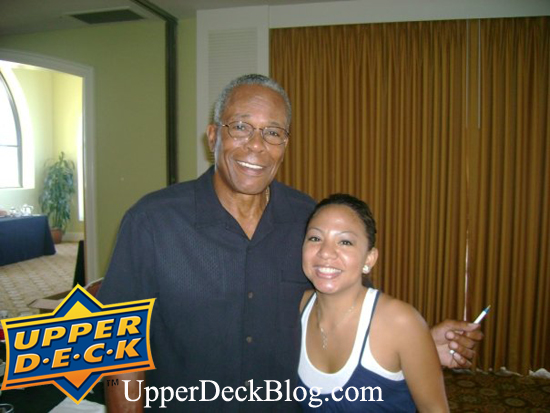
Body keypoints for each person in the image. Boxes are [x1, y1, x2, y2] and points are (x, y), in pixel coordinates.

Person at [97, 74, 481, 411]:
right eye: (241, 127)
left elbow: (348, 312)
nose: (257, 146)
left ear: (285, 144)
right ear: (213, 135)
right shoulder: (153, 222)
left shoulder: (307, 221)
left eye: (273, 132)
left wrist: (414, 348)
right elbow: (119, 354)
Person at [298, 194, 448, 412]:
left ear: (369, 259)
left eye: (345, 241)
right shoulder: (296, 308)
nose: (326, 252)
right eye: (315, 238)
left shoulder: (400, 322)